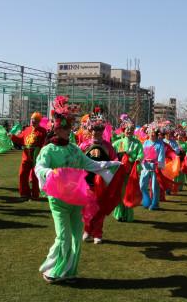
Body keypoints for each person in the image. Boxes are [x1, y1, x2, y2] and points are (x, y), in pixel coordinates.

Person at [35, 96, 121, 283]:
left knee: (75, 237)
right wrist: (51, 173)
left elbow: (90, 164)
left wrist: (111, 164)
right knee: (63, 236)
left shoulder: (74, 149)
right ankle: (52, 270)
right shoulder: (48, 150)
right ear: (56, 128)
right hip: (58, 200)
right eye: (64, 127)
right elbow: (39, 168)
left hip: (76, 199)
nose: (68, 130)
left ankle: (69, 271)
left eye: (69, 127)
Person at [79, 113, 118, 244]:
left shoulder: (108, 146)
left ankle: (97, 233)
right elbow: (77, 161)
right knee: (87, 208)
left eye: (100, 129)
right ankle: (87, 230)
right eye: (95, 129)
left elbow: (115, 161)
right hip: (87, 181)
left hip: (102, 183)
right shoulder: (84, 146)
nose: (97, 132)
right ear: (90, 129)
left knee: (100, 208)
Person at [112, 115, 143, 222]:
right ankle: (119, 214)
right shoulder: (118, 143)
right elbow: (112, 153)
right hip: (120, 172)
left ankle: (128, 215)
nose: (128, 131)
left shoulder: (137, 143)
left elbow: (140, 153)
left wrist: (136, 158)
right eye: (127, 129)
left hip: (130, 172)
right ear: (123, 130)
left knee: (129, 193)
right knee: (120, 192)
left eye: (131, 130)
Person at [11, 112, 47, 200]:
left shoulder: (43, 131)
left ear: (39, 121)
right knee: (22, 174)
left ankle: (35, 195)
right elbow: (20, 139)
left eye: (35, 120)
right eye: (32, 119)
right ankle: (24, 194)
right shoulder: (27, 129)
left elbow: (44, 143)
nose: (33, 121)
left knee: (35, 177)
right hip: (26, 156)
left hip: (37, 157)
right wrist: (12, 137)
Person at [140, 127, 166, 210]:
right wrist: (142, 160)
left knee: (155, 187)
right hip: (146, 167)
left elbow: (161, 156)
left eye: (154, 133)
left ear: (157, 134)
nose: (152, 134)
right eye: (151, 132)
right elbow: (142, 154)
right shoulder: (145, 143)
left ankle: (155, 204)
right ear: (148, 133)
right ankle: (147, 201)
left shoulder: (160, 144)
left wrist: (158, 164)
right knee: (142, 185)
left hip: (155, 168)